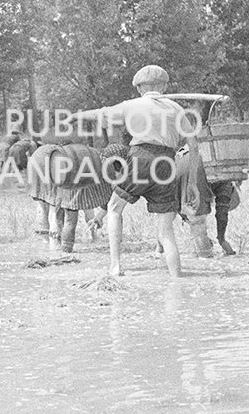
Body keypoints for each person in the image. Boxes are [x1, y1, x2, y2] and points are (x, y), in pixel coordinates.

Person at [69, 65, 191, 277]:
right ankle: (177, 277)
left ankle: (115, 265)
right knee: (166, 231)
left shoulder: (131, 106)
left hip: (140, 159)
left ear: (139, 88)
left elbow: (101, 114)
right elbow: (194, 146)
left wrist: (76, 116)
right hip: (167, 164)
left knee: (114, 208)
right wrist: (191, 183)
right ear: (163, 86)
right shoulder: (177, 109)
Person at [43, 142, 122, 253]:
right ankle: (96, 239)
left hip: (69, 187)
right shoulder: (102, 164)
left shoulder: (71, 161)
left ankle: (66, 251)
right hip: (82, 185)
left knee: (70, 222)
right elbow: (109, 195)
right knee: (78, 220)